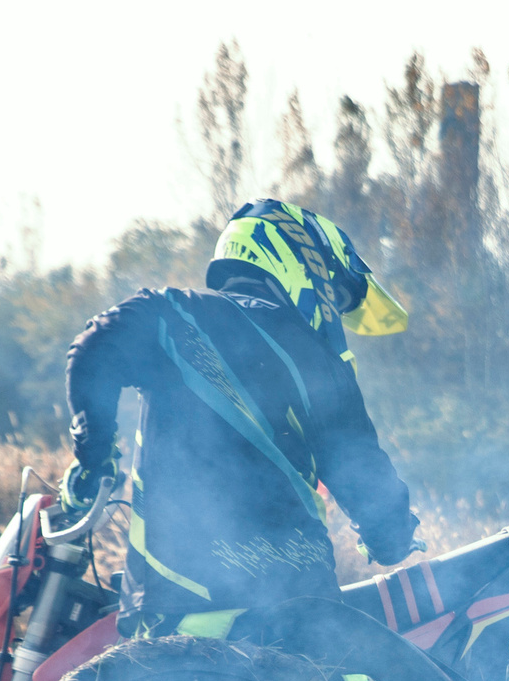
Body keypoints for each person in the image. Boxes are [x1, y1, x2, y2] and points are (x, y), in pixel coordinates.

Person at [61, 198, 423, 634]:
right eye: (336, 290)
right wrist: (392, 538)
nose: (333, 305)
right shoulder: (321, 361)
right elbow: (363, 472)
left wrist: (95, 462)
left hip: (177, 606)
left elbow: (91, 354)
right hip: (299, 610)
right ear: (306, 261)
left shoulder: (172, 311)